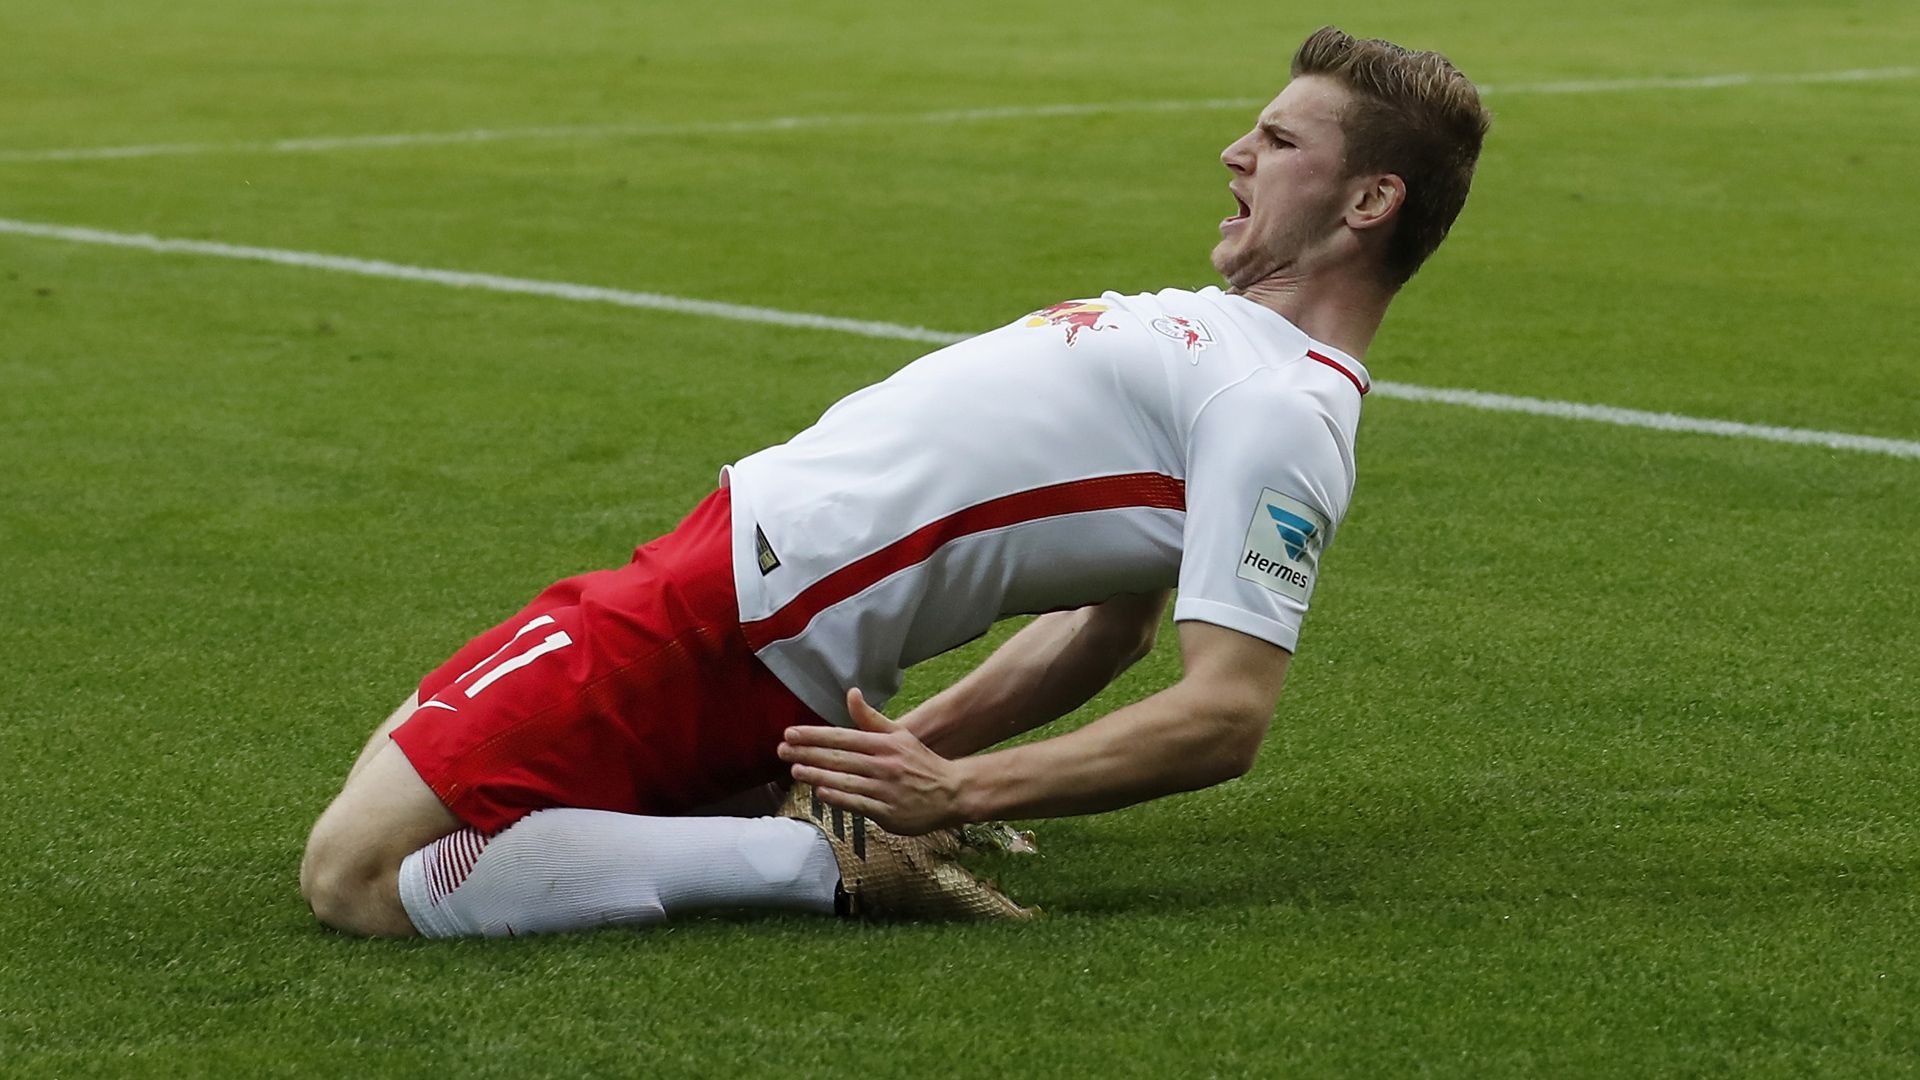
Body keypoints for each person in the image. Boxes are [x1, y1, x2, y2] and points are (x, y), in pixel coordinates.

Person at [300, 26, 1492, 938]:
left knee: (356, 874)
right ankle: (818, 823)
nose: (1236, 152)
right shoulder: (1234, 352)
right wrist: (889, 763)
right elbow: (1109, 628)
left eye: (1281, 143)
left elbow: (1226, 713)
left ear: (1368, 202)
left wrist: (957, 788)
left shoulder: (1278, 407)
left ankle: (814, 862)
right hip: (724, 598)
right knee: (403, 752)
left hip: (732, 623)